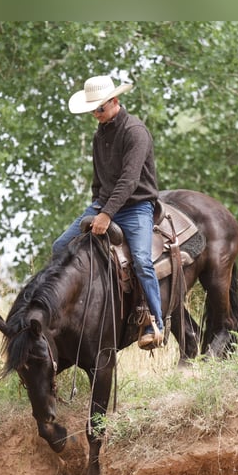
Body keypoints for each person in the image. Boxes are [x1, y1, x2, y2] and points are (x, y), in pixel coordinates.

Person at [52, 75, 164, 349]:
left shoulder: (135, 132)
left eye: (100, 108)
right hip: (103, 205)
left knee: (141, 261)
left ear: (115, 101)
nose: (96, 114)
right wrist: (96, 206)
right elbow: (98, 178)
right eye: (93, 110)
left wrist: (106, 215)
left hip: (136, 205)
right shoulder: (99, 135)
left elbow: (129, 181)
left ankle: (156, 322)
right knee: (60, 247)